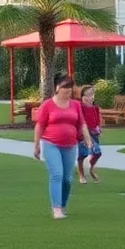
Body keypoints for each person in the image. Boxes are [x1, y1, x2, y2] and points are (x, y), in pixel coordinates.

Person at [32, 74, 94, 219]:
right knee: (57, 174)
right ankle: (56, 208)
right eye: (65, 87)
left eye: (70, 88)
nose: (68, 91)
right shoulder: (47, 105)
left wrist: (88, 138)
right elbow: (39, 126)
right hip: (50, 144)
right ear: (57, 88)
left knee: (67, 179)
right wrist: (36, 145)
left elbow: (82, 123)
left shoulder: (76, 105)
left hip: (70, 145)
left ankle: (63, 205)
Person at [76, 84, 103, 184]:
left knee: (97, 153)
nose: (90, 97)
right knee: (83, 155)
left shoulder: (95, 108)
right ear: (82, 96)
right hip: (82, 134)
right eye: (87, 94)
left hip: (93, 133)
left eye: (92, 94)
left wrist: (99, 128)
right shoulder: (80, 107)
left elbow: (97, 120)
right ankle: (81, 175)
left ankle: (91, 169)